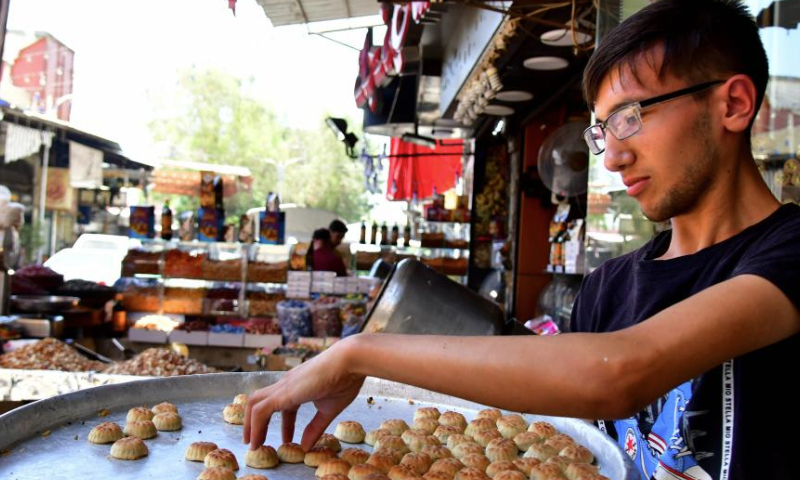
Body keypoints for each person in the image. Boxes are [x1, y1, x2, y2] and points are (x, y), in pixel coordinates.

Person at [243, 2, 800, 479]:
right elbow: (568, 426)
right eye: (601, 130)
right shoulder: (609, 286)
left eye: (630, 117)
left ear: (732, 104)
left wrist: (359, 352)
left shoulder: (787, 253)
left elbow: (617, 374)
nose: (611, 155)